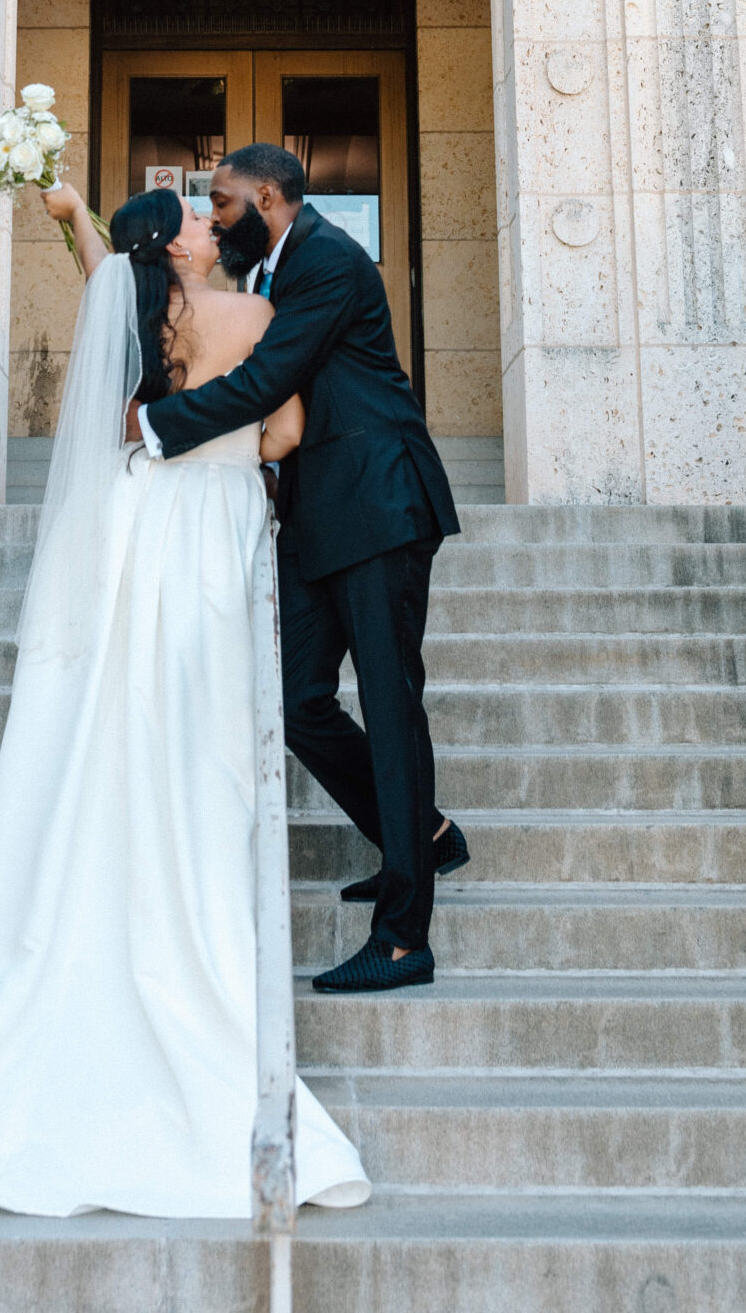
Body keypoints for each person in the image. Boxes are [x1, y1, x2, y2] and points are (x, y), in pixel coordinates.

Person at [0, 182, 369, 1218]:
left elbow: (106, 288)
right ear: (175, 250)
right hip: (214, 526)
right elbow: (283, 435)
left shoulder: (131, 311)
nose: (207, 225)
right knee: (202, 731)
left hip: (139, 524)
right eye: (192, 218)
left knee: (127, 713)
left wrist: (67, 213)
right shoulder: (252, 317)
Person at [131, 144, 467, 995]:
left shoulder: (326, 261)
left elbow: (268, 380)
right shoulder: (274, 269)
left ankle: (401, 939)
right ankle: (422, 837)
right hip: (319, 512)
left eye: (223, 201)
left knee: (389, 708)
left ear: (270, 198)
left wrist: (157, 429)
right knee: (295, 702)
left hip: (379, 501)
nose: (214, 215)